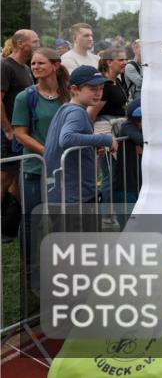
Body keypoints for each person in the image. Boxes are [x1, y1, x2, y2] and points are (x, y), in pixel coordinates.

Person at [11, 47, 69, 283]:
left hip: (64, 171)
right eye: (33, 64)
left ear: (55, 66)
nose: (35, 68)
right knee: (32, 221)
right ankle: (30, 271)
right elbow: (20, 134)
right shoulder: (26, 97)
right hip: (35, 171)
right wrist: (47, 152)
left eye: (41, 63)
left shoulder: (67, 94)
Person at [44, 66, 117, 218]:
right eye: (92, 88)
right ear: (75, 89)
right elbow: (67, 139)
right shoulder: (77, 112)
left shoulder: (67, 108)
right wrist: (105, 139)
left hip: (65, 193)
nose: (98, 93)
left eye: (101, 88)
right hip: (74, 197)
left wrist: (92, 145)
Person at [1, 29, 39, 239]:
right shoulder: (5, 66)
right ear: (21, 43)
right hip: (8, 133)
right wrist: (7, 130)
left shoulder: (25, 68)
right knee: (4, 177)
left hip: (19, 132)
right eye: (35, 41)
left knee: (16, 179)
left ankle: (13, 223)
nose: (38, 44)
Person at [92, 49, 129, 217]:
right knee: (109, 174)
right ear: (108, 62)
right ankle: (106, 214)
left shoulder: (118, 82)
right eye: (120, 59)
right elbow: (91, 113)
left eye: (125, 59)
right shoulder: (103, 85)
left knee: (116, 173)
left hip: (118, 129)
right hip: (105, 130)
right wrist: (94, 138)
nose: (124, 63)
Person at [113, 99, 143, 228]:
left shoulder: (138, 128)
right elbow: (141, 140)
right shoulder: (127, 127)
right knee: (128, 227)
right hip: (125, 187)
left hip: (137, 184)